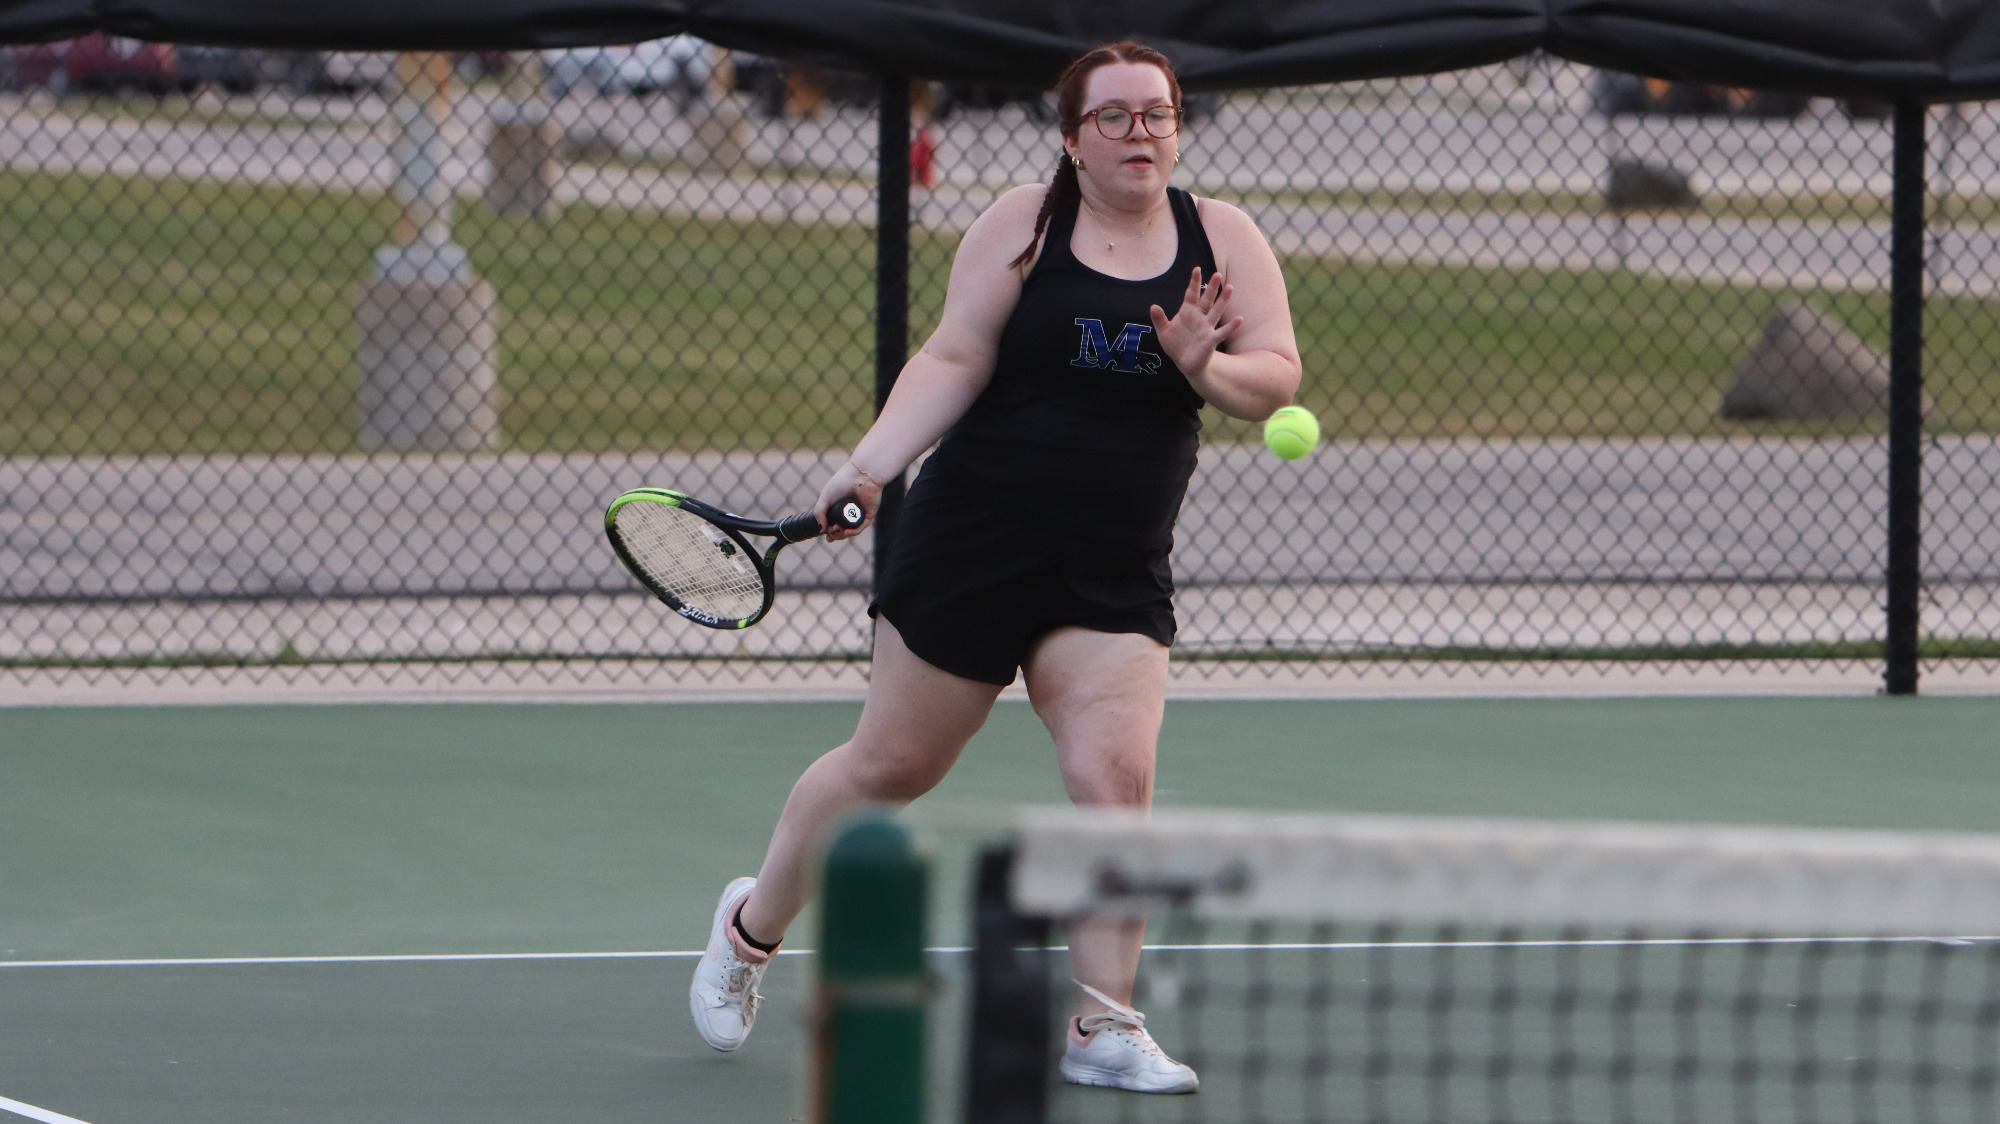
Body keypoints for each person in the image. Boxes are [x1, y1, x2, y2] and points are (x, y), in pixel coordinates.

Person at [690, 40, 1301, 1094]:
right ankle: (750, 929)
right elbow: (953, 357)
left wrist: (1207, 365)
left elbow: (1276, 378)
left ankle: (1103, 1024)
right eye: (1112, 116)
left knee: (1114, 780)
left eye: (1156, 114)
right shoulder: (1021, 225)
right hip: (973, 543)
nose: (1139, 132)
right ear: (1072, 138)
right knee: (891, 766)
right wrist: (871, 466)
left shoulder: (1223, 238)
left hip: (1112, 567)